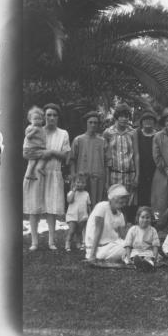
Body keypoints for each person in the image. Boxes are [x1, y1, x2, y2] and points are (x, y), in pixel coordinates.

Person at [23, 103, 71, 251]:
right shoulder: (36, 130)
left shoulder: (63, 133)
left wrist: (50, 153)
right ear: (44, 116)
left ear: (58, 117)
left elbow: (66, 157)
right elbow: (25, 153)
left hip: (53, 172)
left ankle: (51, 241)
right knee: (34, 207)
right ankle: (34, 242)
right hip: (35, 173)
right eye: (48, 115)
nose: (51, 118)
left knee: (51, 208)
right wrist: (38, 154)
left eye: (54, 115)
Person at [103, 103, 139, 223]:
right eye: (121, 116)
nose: (124, 119)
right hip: (114, 174)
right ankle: (113, 228)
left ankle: (126, 229)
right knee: (115, 201)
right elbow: (106, 158)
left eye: (127, 116)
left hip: (129, 174)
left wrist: (137, 176)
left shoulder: (133, 132)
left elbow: (136, 155)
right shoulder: (108, 133)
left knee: (128, 203)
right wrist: (107, 180)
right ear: (116, 117)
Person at [70, 110, 108, 206]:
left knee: (96, 205)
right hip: (82, 180)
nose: (93, 125)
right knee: (80, 206)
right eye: (90, 122)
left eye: (95, 123)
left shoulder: (102, 141)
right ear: (86, 123)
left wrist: (107, 181)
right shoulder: (78, 140)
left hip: (98, 179)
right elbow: (72, 160)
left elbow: (107, 163)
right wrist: (74, 178)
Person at [85, 184, 129, 262]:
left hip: (113, 245)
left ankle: (145, 258)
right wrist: (92, 255)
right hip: (99, 248)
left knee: (133, 245)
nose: (124, 204)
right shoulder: (102, 207)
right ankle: (133, 258)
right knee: (127, 249)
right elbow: (98, 231)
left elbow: (123, 237)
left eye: (124, 202)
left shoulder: (120, 215)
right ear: (112, 198)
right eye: (121, 201)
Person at [123, 206, 161, 271]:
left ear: (151, 219)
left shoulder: (153, 230)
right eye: (142, 217)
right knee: (135, 257)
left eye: (147, 218)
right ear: (138, 218)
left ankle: (148, 264)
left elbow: (155, 245)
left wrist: (155, 257)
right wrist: (129, 258)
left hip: (148, 252)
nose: (145, 220)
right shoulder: (133, 229)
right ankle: (138, 263)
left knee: (149, 258)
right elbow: (128, 245)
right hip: (136, 251)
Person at [64, 172, 92, 252]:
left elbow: (88, 205)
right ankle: (68, 242)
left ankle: (78, 243)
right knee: (72, 230)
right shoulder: (72, 192)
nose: (80, 184)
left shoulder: (86, 194)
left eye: (82, 182)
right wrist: (73, 190)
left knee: (79, 231)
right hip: (72, 215)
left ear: (85, 184)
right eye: (78, 182)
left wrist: (90, 214)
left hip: (82, 216)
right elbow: (69, 200)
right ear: (74, 183)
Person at [135, 110, 158, 208]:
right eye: (145, 120)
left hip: (155, 169)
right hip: (141, 169)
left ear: (154, 122)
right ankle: (140, 217)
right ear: (141, 122)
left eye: (150, 120)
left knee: (155, 194)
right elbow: (136, 153)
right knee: (141, 195)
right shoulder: (137, 133)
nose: (148, 122)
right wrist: (137, 173)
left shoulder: (158, 134)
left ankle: (154, 218)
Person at [23, 106, 47, 180]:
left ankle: (29, 174)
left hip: (36, 148)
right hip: (30, 149)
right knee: (46, 155)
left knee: (32, 162)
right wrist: (34, 131)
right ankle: (40, 168)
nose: (37, 121)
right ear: (30, 120)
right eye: (35, 119)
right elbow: (28, 137)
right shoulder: (30, 128)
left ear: (42, 120)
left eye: (39, 119)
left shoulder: (41, 129)